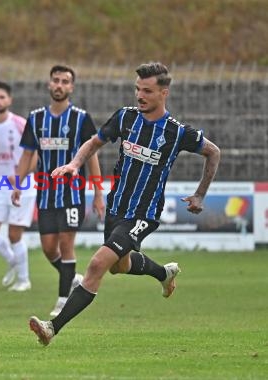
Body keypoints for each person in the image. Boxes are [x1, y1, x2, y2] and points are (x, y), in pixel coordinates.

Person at [29, 62, 221, 346]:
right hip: (116, 208)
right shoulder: (125, 118)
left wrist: (200, 194)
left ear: (163, 93)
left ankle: (52, 328)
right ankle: (164, 273)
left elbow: (213, 152)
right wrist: (74, 163)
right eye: (137, 89)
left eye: (147, 90)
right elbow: (94, 142)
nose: (139, 95)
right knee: (119, 266)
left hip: (143, 214)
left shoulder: (176, 131)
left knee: (96, 265)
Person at [11, 65, 105, 316]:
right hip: (45, 194)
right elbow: (27, 154)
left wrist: (97, 193)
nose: (60, 85)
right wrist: (18, 184)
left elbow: (92, 157)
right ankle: (71, 277)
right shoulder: (36, 118)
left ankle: (63, 300)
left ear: (71, 87)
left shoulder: (81, 118)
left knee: (66, 245)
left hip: (72, 194)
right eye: (56, 80)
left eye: (65, 81)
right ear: (49, 84)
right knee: (48, 248)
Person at [0, 81, 36, 292]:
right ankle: (13, 260)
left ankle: (23, 279)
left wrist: (20, 176)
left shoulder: (21, 124)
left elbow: (35, 155)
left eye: (2, 97)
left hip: (24, 186)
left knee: (14, 234)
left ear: (9, 100)